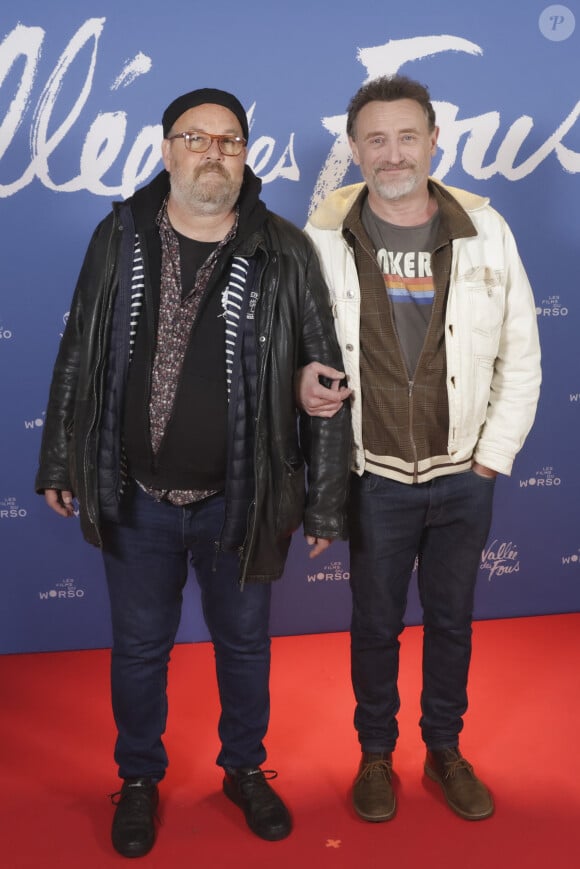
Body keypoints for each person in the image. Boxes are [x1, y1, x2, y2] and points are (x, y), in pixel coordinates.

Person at [35, 87, 351, 858]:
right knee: (140, 649)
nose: (214, 153)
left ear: (247, 155)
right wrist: (56, 452)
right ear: (167, 148)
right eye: (196, 138)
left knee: (244, 646)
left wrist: (325, 503)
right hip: (133, 495)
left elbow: (327, 374)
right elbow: (78, 347)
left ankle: (244, 767)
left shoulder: (284, 247)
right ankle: (139, 776)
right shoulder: (119, 236)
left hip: (240, 499)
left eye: (230, 141)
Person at [298, 75, 541, 823]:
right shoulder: (319, 240)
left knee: (452, 619)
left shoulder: (486, 230)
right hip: (373, 479)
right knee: (374, 625)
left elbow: (521, 353)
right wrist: (302, 390)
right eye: (376, 138)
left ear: (435, 141)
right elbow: (296, 355)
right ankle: (376, 753)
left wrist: (491, 456)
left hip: (464, 475)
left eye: (407, 136)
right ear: (355, 149)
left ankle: (444, 747)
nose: (392, 152)